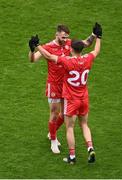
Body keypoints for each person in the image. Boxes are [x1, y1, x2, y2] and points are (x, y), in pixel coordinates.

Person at [31, 22, 102, 164]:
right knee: (54, 113)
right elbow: (32, 59)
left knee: (64, 116)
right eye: (63, 37)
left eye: (67, 38)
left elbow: (84, 44)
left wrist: (94, 35)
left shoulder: (69, 48)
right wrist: (32, 49)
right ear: (56, 34)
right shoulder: (48, 47)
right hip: (54, 85)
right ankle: (53, 140)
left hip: (66, 87)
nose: (65, 40)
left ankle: (54, 135)